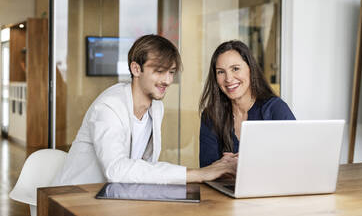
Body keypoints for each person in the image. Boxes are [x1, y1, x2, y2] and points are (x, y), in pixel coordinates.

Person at [52, 34, 237, 186]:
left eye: (171, 72)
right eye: (159, 71)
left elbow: (144, 168)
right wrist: (197, 174)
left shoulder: (156, 107)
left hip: (113, 197)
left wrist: (219, 167)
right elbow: (116, 170)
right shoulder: (108, 107)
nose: (167, 80)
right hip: (73, 197)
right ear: (136, 68)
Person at [199, 40, 295, 168]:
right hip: (223, 188)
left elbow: (294, 161)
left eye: (235, 69)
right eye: (221, 72)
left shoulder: (275, 109)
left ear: (250, 69)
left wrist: (233, 165)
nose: (228, 78)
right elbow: (206, 169)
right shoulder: (211, 115)